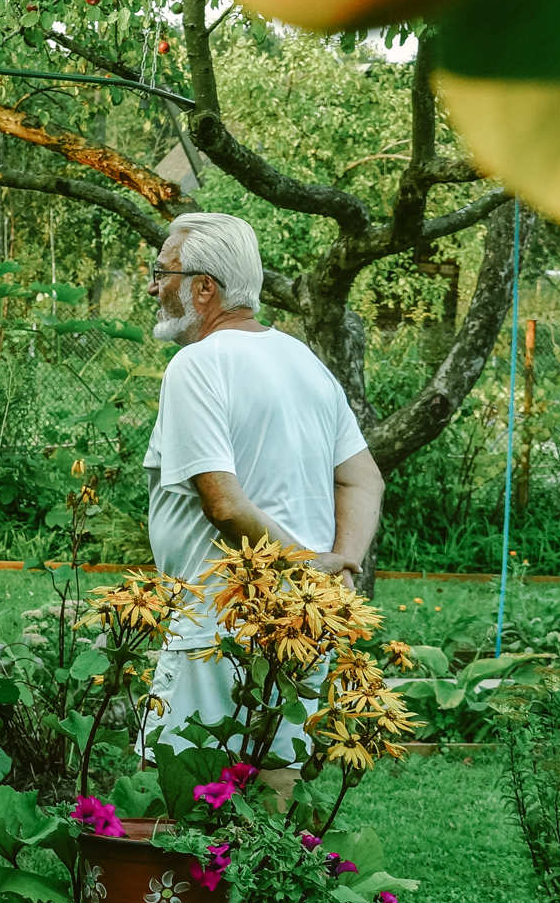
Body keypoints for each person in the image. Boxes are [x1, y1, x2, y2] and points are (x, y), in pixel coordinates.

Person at [141, 212, 385, 762]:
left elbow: (224, 505)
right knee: (275, 786)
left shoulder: (197, 364)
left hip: (216, 626)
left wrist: (309, 568)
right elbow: (363, 478)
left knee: (176, 792)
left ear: (204, 288)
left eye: (163, 273)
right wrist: (337, 567)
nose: (155, 288)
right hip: (303, 623)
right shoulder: (302, 360)